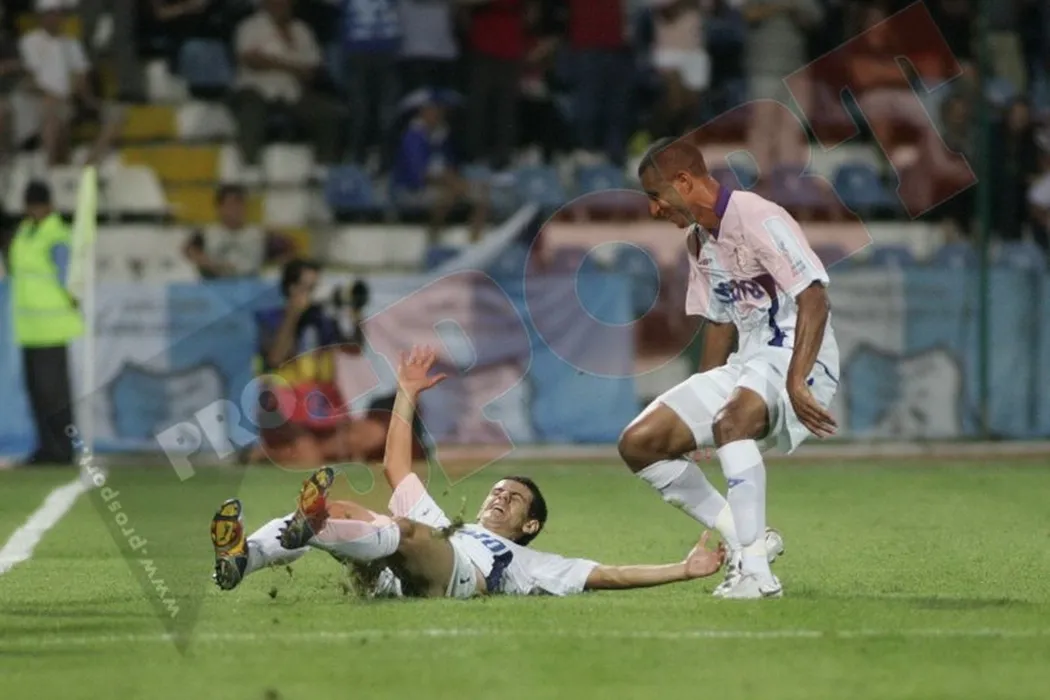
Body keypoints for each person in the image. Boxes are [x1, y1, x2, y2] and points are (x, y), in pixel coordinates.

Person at [211, 345, 729, 598]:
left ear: (530, 525)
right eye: (498, 490)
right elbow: (395, 465)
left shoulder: (532, 564)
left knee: (403, 530)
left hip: (457, 577)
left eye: (514, 498)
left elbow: (609, 574)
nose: (500, 497)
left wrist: (682, 569)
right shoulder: (449, 523)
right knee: (346, 509)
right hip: (400, 574)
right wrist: (406, 393)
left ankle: (313, 528)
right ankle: (243, 558)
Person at [618, 136, 839, 599]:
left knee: (731, 423)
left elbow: (814, 296)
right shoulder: (698, 241)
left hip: (797, 353)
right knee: (640, 443)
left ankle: (757, 575)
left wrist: (797, 379)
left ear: (683, 181)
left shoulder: (758, 216)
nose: (655, 209)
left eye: (656, 196)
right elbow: (719, 322)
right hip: (749, 362)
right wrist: (699, 405)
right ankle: (749, 537)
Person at [248, 258, 427, 467]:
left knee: (376, 434)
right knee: (310, 458)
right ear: (291, 288)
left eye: (316, 286)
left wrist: (353, 313)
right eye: (309, 287)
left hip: (322, 408)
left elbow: (354, 348)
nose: (315, 292)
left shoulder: (322, 320)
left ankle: (297, 453)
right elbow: (275, 357)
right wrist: (293, 315)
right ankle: (278, 452)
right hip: (286, 407)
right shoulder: (271, 318)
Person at [4, 180, 83, 466]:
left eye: (38, 206)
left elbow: (70, 278)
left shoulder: (57, 235)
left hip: (52, 328)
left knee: (55, 395)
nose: (34, 211)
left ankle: (63, 450)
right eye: (31, 206)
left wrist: (74, 301)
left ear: (49, 206)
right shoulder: (25, 232)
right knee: (37, 393)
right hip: (29, 329)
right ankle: (46, 448)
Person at [182, 184, 268, 279]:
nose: (235, 209)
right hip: (217, 284)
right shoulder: (207, 233)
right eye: (230, 204)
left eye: (239, 203)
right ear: (220, 207)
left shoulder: (258, 235)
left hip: (250, 283)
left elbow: (281, 251)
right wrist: (207, 263)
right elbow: (188, 250)